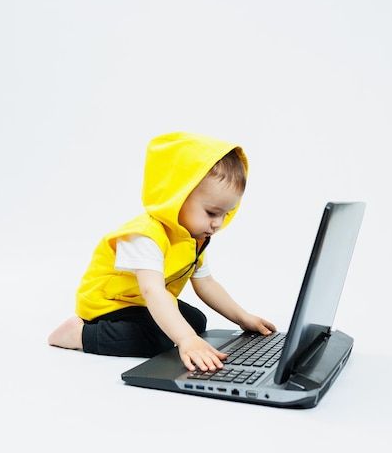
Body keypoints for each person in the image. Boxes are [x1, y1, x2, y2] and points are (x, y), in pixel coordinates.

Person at [48, 131, 276, 372]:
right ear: (176, 197)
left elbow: (206, 284)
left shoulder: (192, 238)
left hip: (138, 302)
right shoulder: (145, 235)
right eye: (211, 213)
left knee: (196, 321)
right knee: (164, 339)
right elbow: (153, 291)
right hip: (109, 305)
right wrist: (186, 340)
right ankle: (80, 335)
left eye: (226, 214)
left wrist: (242, 317)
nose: (218, 223)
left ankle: (167, 333)